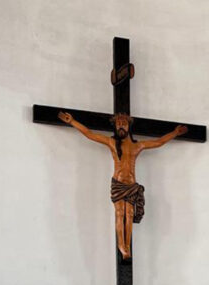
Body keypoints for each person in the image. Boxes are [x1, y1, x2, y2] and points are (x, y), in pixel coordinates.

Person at [58, 111, 187, 260]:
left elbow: (159, 142)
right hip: (118, 184)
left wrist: (175, 133)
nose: (121, 126)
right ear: (115, 127)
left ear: (128, 127)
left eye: (124, 124)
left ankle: (127, 246)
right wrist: (72, 121)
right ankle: (122, 247)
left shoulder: (138, 146)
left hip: (131, 185)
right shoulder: (112, 143)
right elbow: (89, 134)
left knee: (129, 214)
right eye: (118, 124)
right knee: (120, 213)